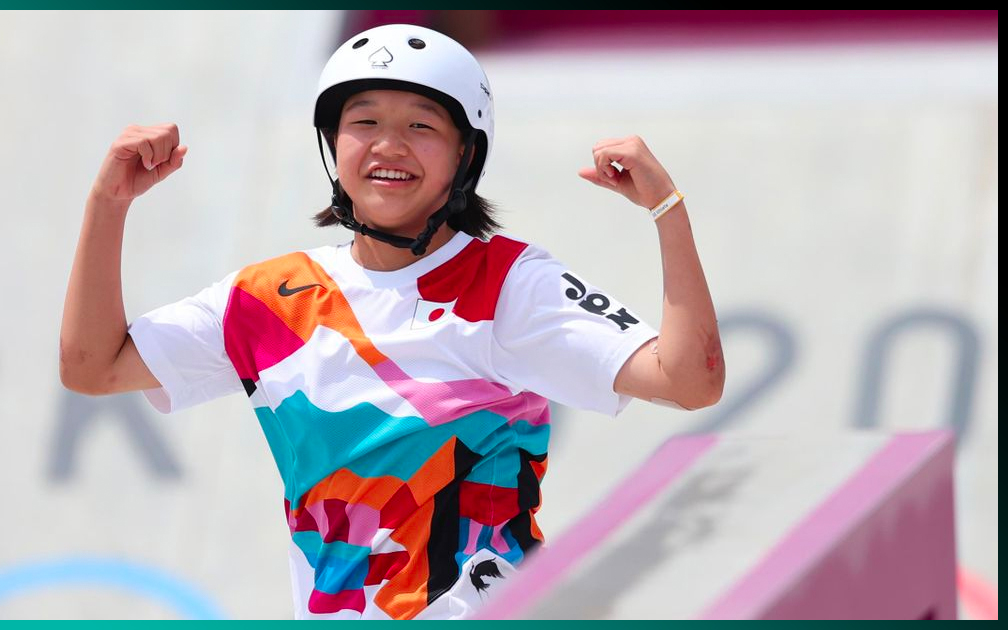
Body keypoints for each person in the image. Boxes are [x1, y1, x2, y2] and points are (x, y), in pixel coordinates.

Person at [60, 23, 724, 620]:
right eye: (365, 121)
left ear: (466, 155)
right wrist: (107, 203)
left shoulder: (509, 285)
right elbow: (93, 367)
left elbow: (688, 380)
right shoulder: (270, 298)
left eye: (422, 126)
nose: (389, 146)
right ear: (333, 145)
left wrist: (667, 209)